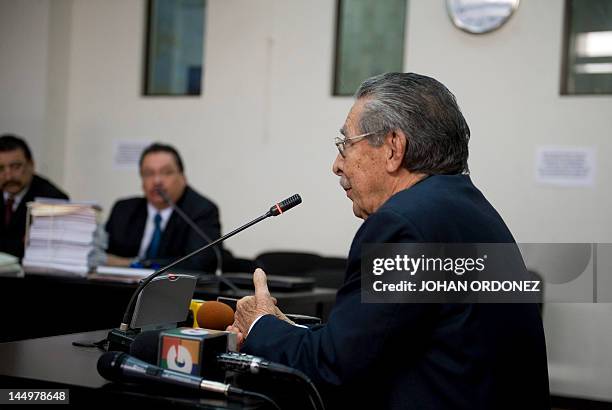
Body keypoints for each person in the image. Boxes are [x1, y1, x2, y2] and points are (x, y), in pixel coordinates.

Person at [228, 73, 549, 409]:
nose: (337, 165)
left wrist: (259, 324)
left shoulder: (401, 226)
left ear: (394, 148)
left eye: (345, 145)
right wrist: (290, 333)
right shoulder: (469, 209)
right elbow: (386, 344)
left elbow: (333, 369)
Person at [105, 142, 221, 272]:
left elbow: (199, 263)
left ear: (183, 178)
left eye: (166, 172)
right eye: (148, 173)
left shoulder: (201, 210)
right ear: (142, 181)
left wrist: (135, 263)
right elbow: (102, 256)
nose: (157, 181)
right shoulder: (123, 210)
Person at [0, 134, 69, 258]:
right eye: (1, 168)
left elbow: (40, 250)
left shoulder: (53, 198)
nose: (8, 176)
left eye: (15, 167)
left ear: (31, 165)